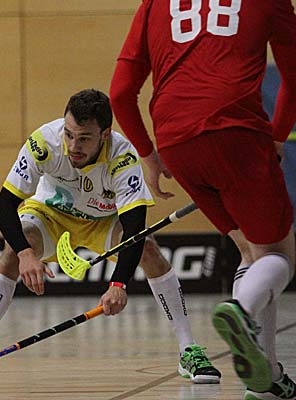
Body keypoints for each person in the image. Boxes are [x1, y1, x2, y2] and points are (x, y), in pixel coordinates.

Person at [0, 89, 221, 385]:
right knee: (13, 251)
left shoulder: (122, 156)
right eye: (69, 135)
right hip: (50, 215)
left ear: (105, 134)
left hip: (102, 221)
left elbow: (134, 227)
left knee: (149, 249)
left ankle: (188, 350)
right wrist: (25, 254)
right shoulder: (44, 142)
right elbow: (4, 206)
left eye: (84, 139)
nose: (73, 146)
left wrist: (118, 284)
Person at [109, 1, 296, 398]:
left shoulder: (154, 4)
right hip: (237, 130)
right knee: (279, 253)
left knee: (249, 249)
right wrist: (277, 135)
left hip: (176, 142)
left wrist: (148, 155)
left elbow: (121, 93)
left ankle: (266, 380)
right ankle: (242, 312)